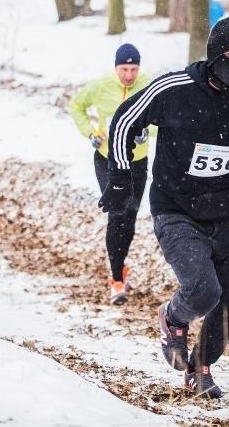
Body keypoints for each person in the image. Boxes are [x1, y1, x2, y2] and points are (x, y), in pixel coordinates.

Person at [102, 16, 229, 399]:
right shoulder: (177, 89)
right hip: (176, 207)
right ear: (214, 55)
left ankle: (199, 368)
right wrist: (120, 177)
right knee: (203, 290)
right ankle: (172, 318)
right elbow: (124, 120)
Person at [69, 43, 152, 305]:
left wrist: (148, 131)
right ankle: (116, 279)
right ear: (116, 67)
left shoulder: (149, 86)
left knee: (130, 216)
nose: (129, 75)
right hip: (108, 159)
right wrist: (91, 133)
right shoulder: (100, 85)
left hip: (137, 160)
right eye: (124, 69)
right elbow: (76, 106)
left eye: (133, 69)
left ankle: (120, 265)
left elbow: (164, 119)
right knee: (117, 211)